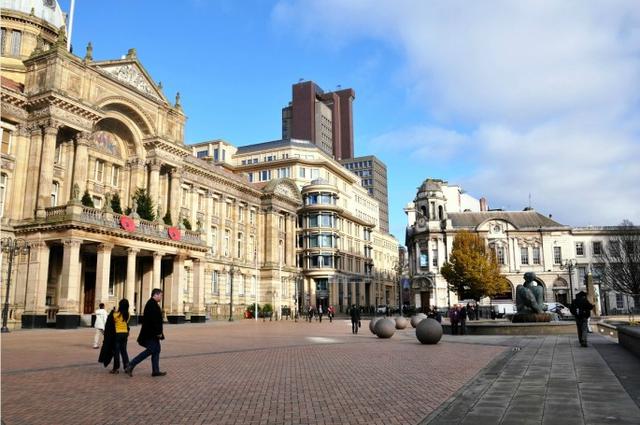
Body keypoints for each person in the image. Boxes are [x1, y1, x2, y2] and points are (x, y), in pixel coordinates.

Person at [125, 289, 166, 377]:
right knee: (151, 350)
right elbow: (154, 320)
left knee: (157, 350)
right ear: (155, 295)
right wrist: (159, 332)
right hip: (150, 334)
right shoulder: (151, 304)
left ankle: (155, 371)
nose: (161, 297)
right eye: (161, 295)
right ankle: (131, 364)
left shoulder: (153, 304)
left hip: (152, 333)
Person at [111, 299, 131, 374]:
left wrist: (113, 311)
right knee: (124, 351)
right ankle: (127, 367)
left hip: (118, 333)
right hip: (125, 333)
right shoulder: (128, 314)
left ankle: (116, 368)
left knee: (116, 351)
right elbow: (127, 322)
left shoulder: (116, 314)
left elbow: (112, 322)